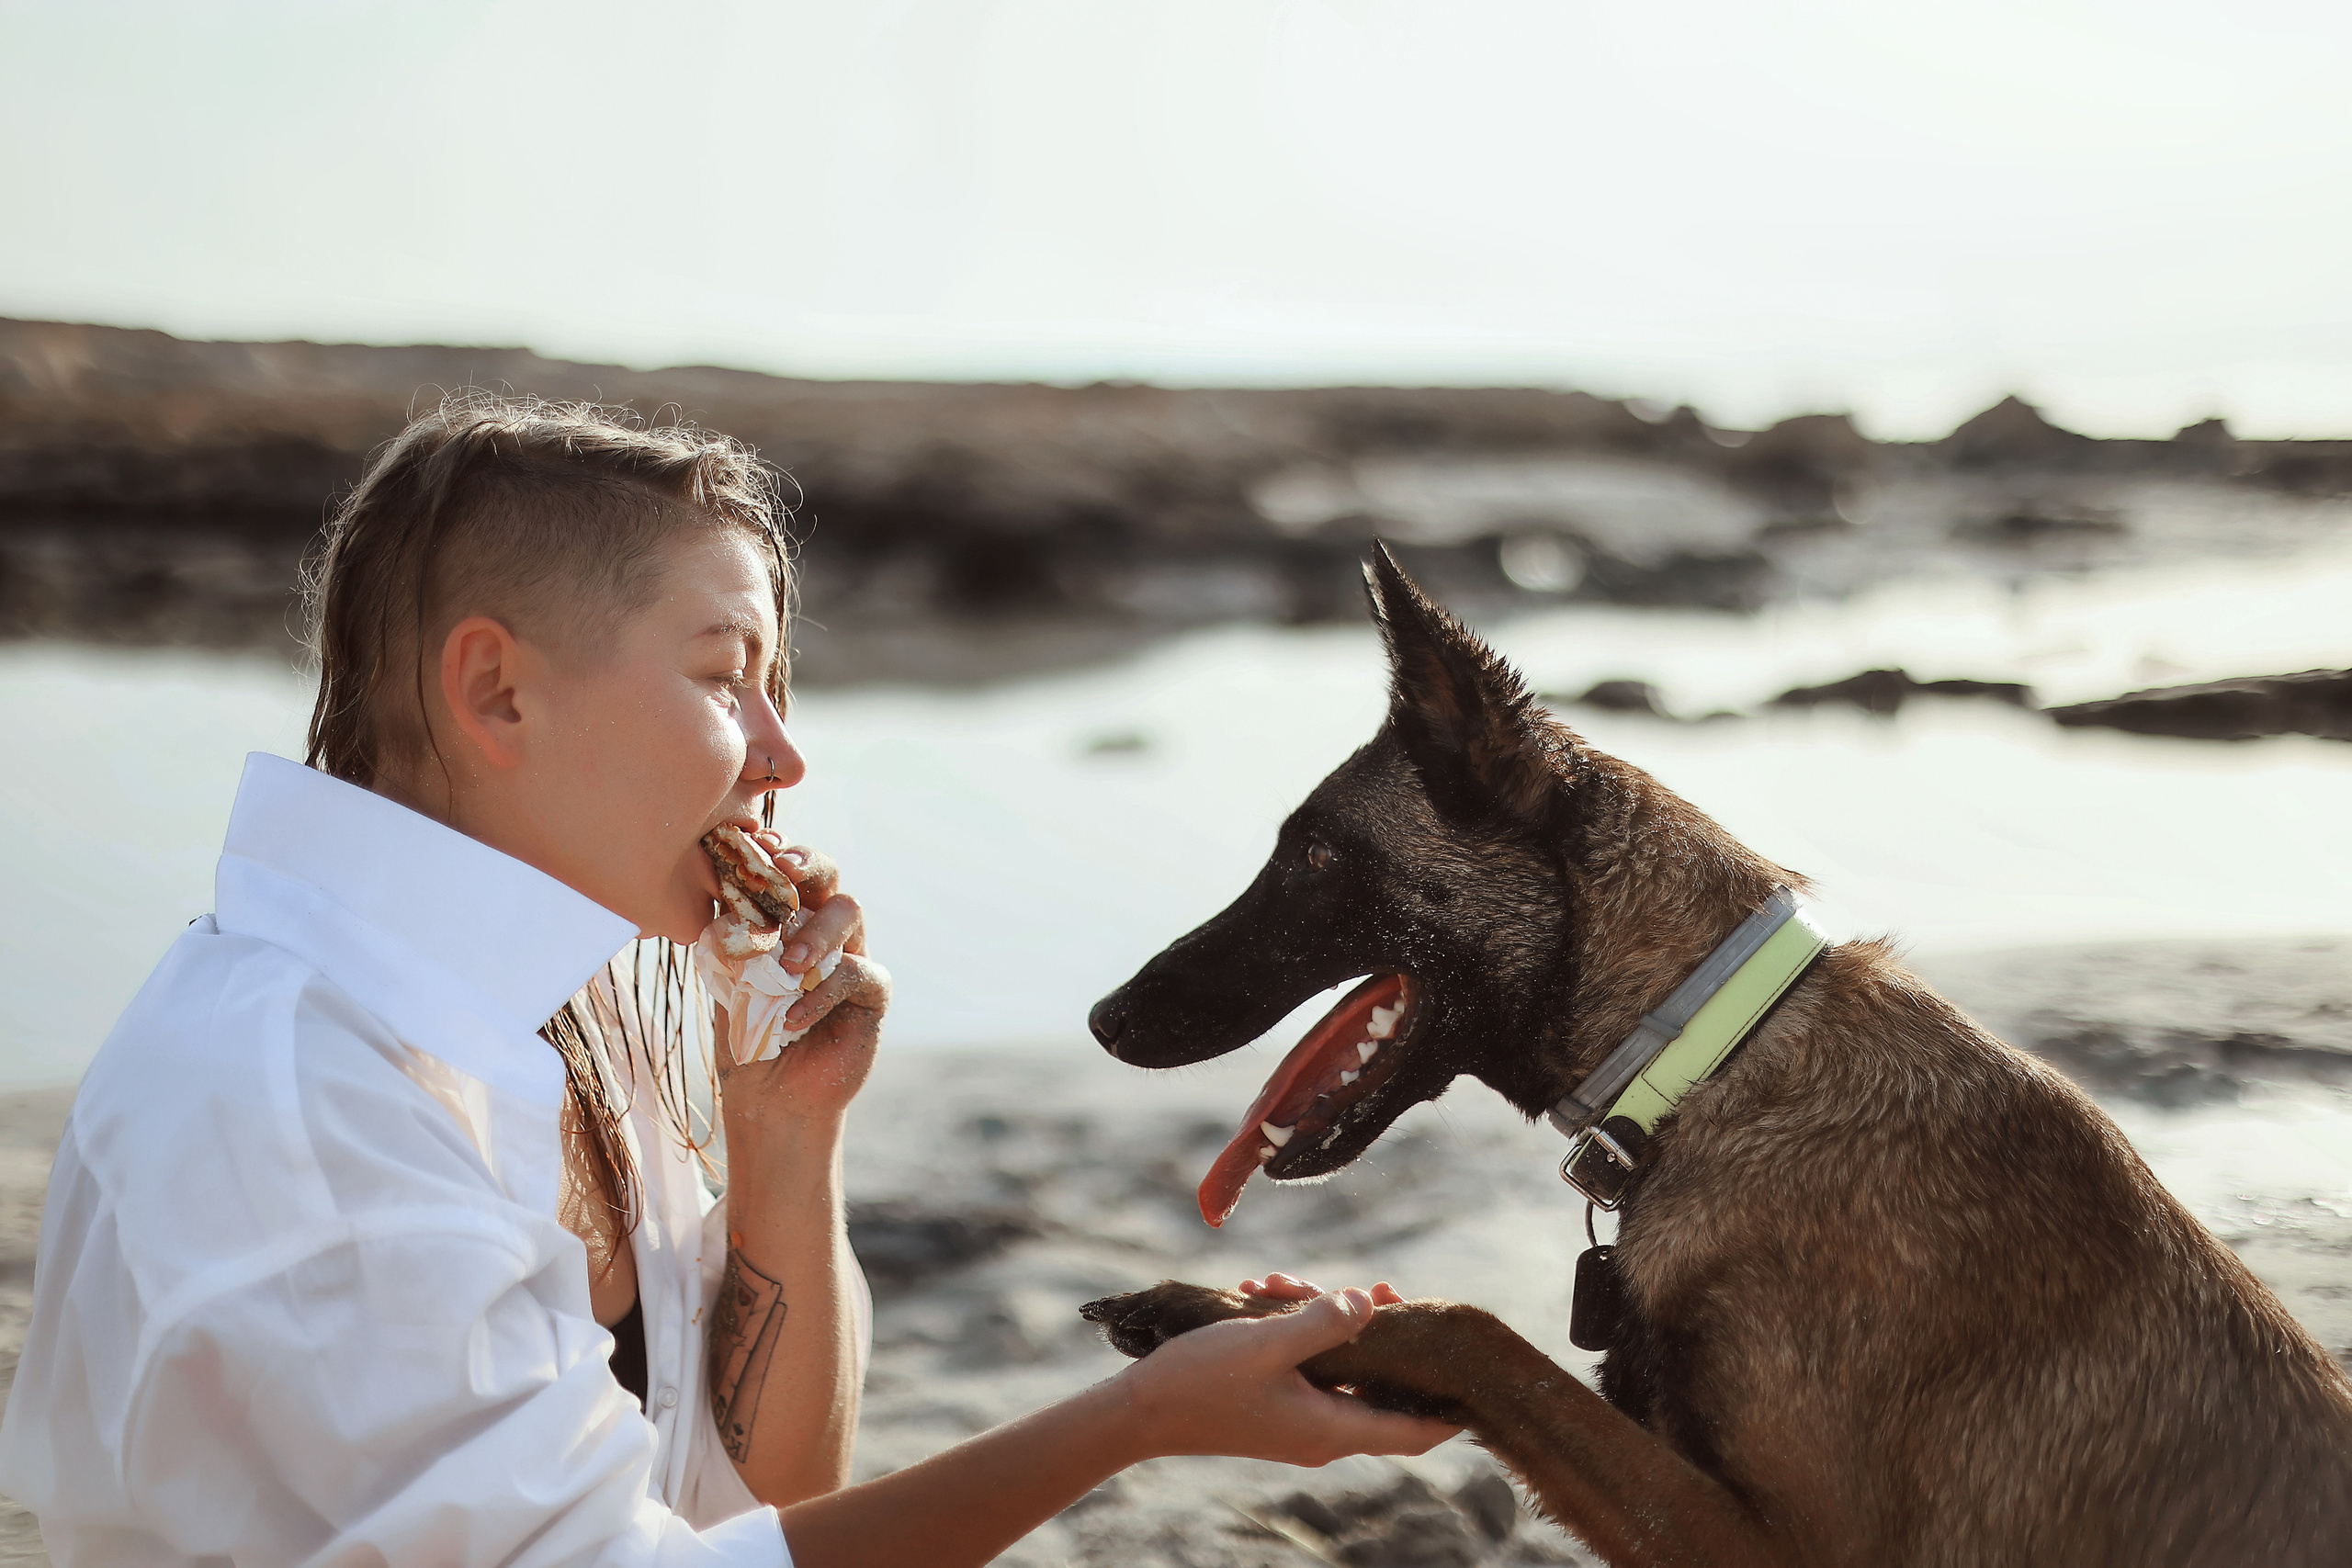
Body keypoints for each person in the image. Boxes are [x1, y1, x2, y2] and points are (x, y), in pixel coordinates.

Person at [0, 396, 1453, 1567]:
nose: (783, 753)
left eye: (778, 684)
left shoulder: (578, 1005)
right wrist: (1135, 1420)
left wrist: (786, 1133)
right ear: (497, 691)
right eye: (722, 675)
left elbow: (759, 1504)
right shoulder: (306, 1087)